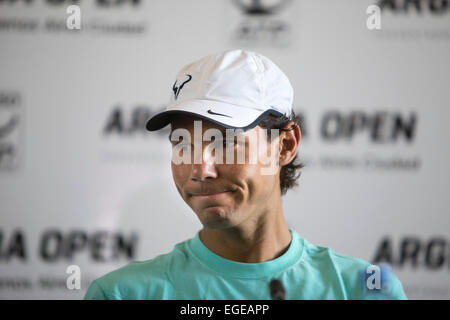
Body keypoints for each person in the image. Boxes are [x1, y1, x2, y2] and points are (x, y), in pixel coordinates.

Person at [84, 49, 407, 300]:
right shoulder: (120, 293)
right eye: (183, 144)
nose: (200, 169)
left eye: (225, 143)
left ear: (285, 145)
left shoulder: (367, 290)